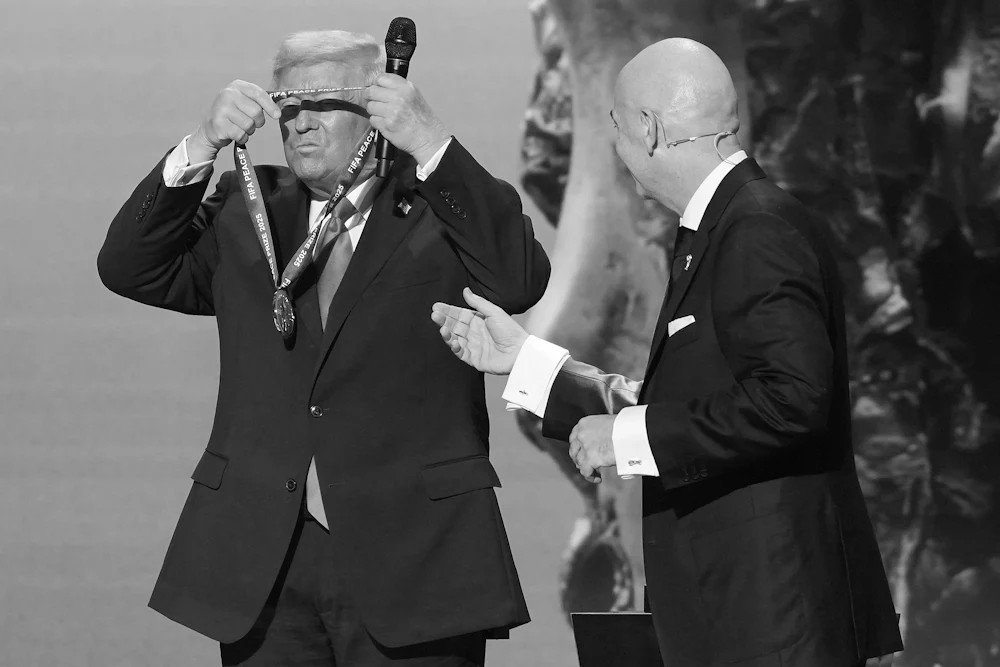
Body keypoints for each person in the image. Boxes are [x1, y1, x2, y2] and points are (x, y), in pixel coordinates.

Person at [431, 38, 903, 667]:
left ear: (649, 129)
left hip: (771, 624)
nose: (618, 151)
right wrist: (528, 364)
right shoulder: (719, 228)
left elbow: (790, 401)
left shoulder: (756, 229)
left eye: (617, 130)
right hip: (732, 615)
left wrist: (626, 438)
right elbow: (690, 407)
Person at [98, 30, 549, 667]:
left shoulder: (439, 206)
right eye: (288, 106)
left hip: (414, 552)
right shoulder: (247, 208)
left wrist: (428, 142)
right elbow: (129, 267)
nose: (300, 123)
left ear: (379, 106)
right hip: (269, 558)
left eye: (322, 104)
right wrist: (200, 147)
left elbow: (517, 280)